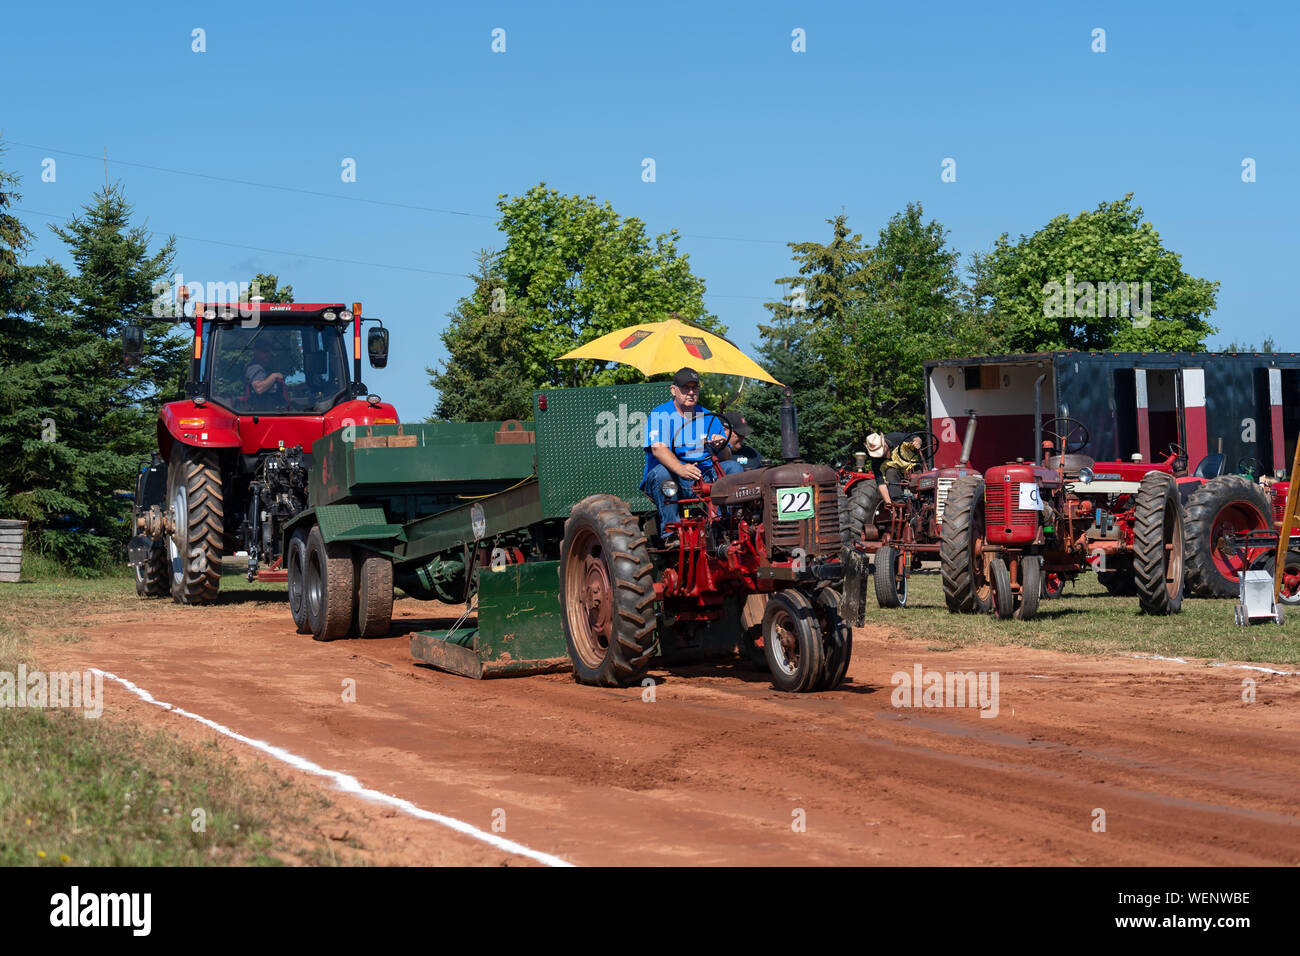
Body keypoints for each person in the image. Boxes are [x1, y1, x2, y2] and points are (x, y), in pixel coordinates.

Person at [641, 367, 743, 546]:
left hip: (704, 477)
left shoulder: (708, 416)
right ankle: (670, 534)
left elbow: (726, 456)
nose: (690, 392)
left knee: (734, 468)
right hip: (673, 482)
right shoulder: (661, 414)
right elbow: (658, 448)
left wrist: (721, 446)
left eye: (694, 388)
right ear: (673, 390)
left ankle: (730, 525)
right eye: (685, 388)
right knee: (662, 473)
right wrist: (681, 469)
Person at [245, 342, 286, 409]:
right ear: (255, 351)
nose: (268, 354)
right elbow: (259, 388)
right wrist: (274, 376)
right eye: (265, 351)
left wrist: (294, 388)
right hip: (261, 412)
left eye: (269, 352)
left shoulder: (266, 369)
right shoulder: (255, 368)